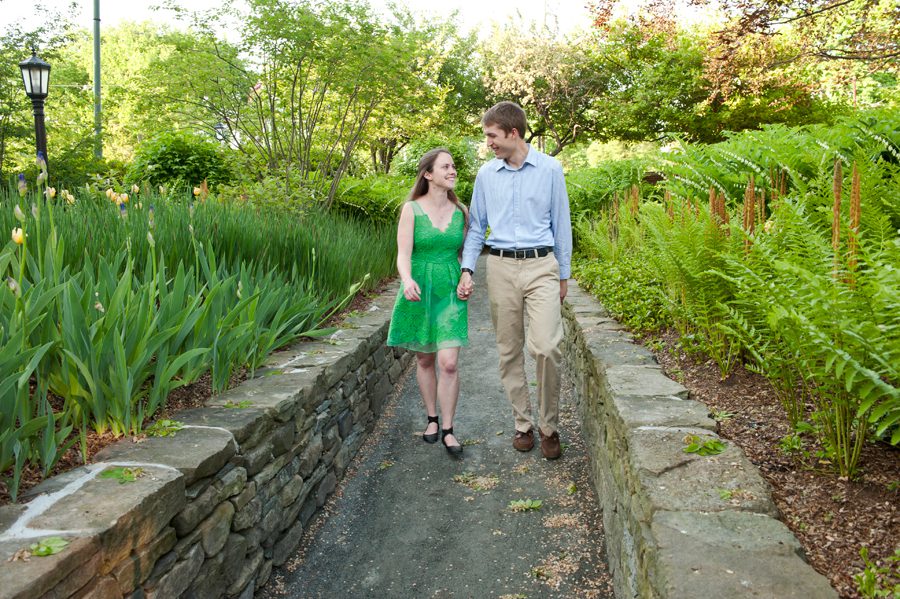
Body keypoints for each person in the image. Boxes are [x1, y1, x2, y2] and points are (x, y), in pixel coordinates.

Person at [457, 101, 572, 460]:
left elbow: (562, 224)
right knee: (508, 351)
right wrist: (467, 268)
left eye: (492, 135)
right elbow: (477, 226)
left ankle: (549, 426)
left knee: (547, 346)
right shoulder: (486, 175)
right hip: (502, 267)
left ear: (513, 133)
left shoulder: (551, 169)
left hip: (542, 266)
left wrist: (563, 274)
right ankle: (523, 423)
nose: (488, 142)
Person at [387, 148, 470, 457]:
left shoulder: (461, 210)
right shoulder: (411, 209)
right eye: (445, 166)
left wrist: (466, 276)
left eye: (453, 166)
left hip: (449, 290)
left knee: (448, 362)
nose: (452, 171)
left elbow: (465, 255)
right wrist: (407, 279)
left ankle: (449, 429)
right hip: (419, 287)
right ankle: (431, 419)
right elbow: (402, 254)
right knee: (424, 359)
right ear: (428, 174)